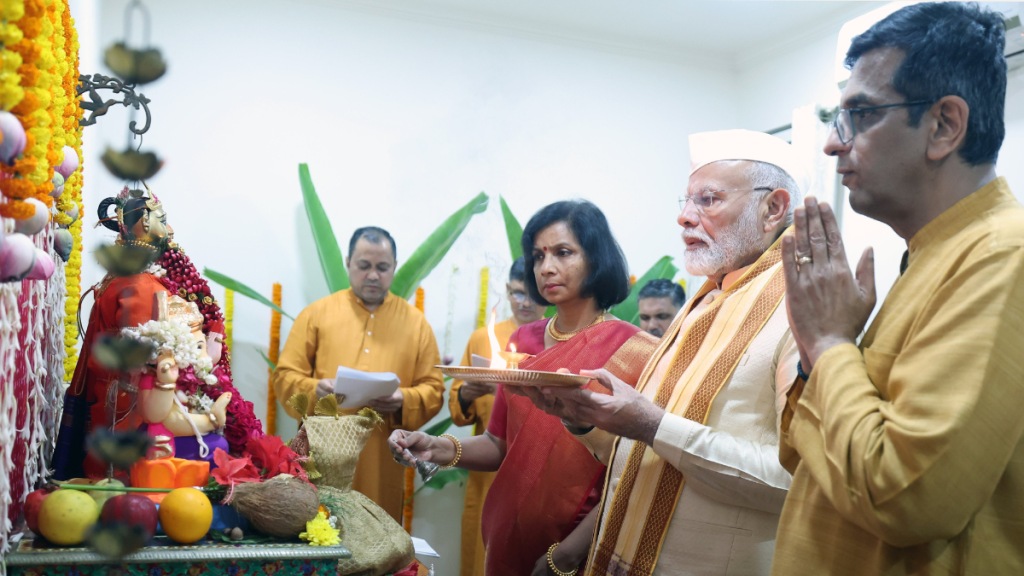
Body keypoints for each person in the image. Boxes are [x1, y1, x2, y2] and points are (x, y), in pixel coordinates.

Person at [774, 4, 1024, 574]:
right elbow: (800, 455)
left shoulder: (1003, 255)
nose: (836, 145)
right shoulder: (935, 251)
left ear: (943, 126)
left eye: (861, 115)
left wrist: (833, 345)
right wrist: (820, 355)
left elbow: (904, 498)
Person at [523, 129, 802, 575]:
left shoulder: (803, 308)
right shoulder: (707, 300)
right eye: (687, 201)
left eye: (708, 200)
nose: (685, 218)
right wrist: (586, 419)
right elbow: (651, 452)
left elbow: (799, 482)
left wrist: (652, 425)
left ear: (773, 208)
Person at [390, 200, 659, 576]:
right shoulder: (522, 342)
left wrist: (565, 555)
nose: (546, 268)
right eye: (538, 256)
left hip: (583, 547)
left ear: (596, 259)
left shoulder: (636, 351)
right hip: (507, 537)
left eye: (563, 253)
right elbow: (499, 444)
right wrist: (434, 446)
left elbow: (634, 474)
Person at [274, 226, 445, 522]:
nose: (373, 275)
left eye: (382, 267)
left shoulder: (416, 324)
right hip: (322, 457)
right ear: (348, 263)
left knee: (379, 544)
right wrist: (316, 389)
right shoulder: (316, 314)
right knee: (319, 537)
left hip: (382, 461)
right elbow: (285, 377)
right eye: (364, 266)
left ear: (394, 268)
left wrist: (403, 399)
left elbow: (434, 389)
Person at [448, 256, 544, 576]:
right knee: (480, 559)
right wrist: (467, 394)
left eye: (532, 294)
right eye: (517, 293)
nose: (524, 303)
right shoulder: (483, 338)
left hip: (538, 475)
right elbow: (459, 412)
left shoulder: (553, 341)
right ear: (507, 290)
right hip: (487, 471)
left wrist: (504, 393)